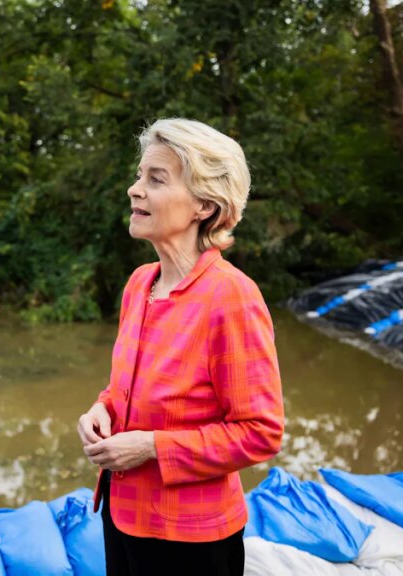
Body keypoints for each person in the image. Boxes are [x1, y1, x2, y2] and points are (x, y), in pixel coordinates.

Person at [76, 118, 284, 576]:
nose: (135, 190)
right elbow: (125, 388)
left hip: (190, 539)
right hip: (121, 514)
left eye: (156, 179)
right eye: (139, 176)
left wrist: (152, 447)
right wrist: (101, 409)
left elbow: (261, 432)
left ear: (204, 206)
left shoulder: (231, 296)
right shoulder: (139, 284)